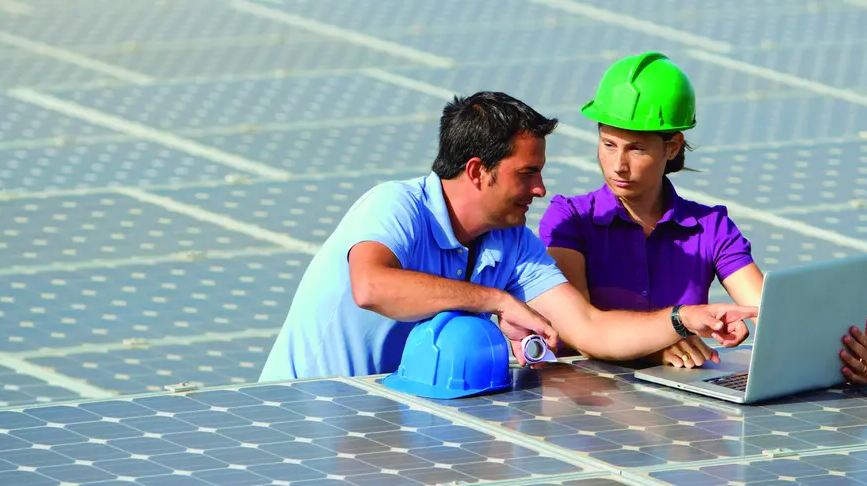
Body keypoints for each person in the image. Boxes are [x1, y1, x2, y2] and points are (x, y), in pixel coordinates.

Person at [258, 91, 759, 383]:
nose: (541, 189)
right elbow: (373, 287)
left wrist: (681, 318)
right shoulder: (394, 206)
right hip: (302, 419)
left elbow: (591, 329)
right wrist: (493, 300)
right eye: (527, 174)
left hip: (384, 432)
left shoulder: (515, 243)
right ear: (478, 171)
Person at [538, 52, 867, 386]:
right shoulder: (569, 219)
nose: (618, 165)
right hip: (589, 402)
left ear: (672, 147)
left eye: (636, 148)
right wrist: (659, 347)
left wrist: (843, 359)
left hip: (681, 423)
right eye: (608, 144)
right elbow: (579, 330)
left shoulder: (711, 228)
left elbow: (774, 316)